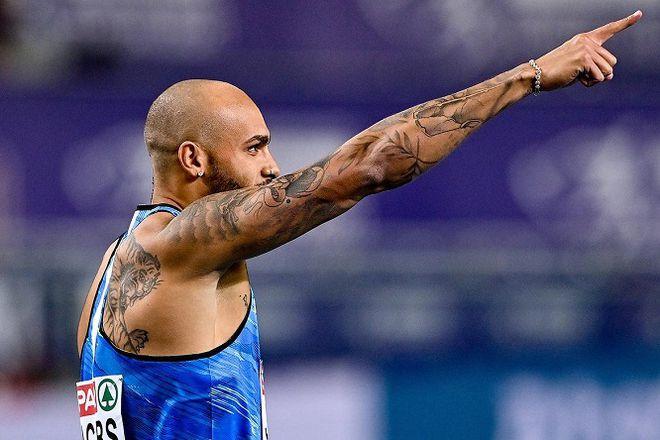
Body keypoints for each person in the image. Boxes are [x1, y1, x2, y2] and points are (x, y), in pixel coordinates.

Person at [76, 11, 642, 440]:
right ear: (194, 160)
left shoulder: (109, 272)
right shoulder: (181, 247)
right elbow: (370, 166)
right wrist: (529, 76)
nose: (271, 166)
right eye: (254, 148)